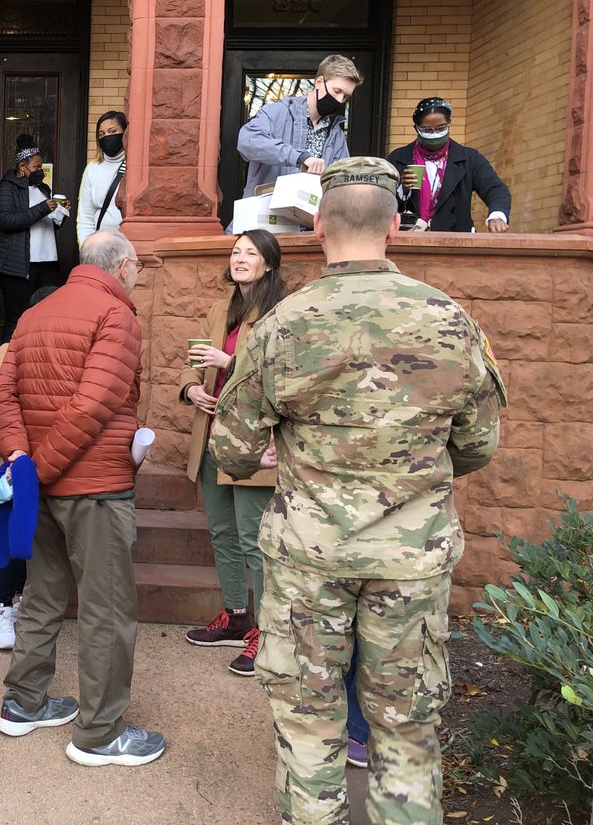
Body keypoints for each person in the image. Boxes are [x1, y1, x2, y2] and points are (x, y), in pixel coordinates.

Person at [209, 157, 505, 824]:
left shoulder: (282, 324)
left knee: (309, 714)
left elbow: (229, 446)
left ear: (317, 226)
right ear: (395, 226)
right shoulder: (450, 319)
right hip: (413, 554)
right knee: (405, 722)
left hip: (309, 555)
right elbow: (479, 444)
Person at [0, 230, 166, 768]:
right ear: (124, 264)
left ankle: (23, 703)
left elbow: (2, 391)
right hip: (93, 488)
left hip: (39, 488)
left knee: (42, 596)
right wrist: (37, 470)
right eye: (136, 266)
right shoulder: (117, 316)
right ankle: (99, 733)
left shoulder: (36, 311)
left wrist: (22, 464)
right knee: (106, 611)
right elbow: (94, 405)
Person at [180, 229, 287, 676]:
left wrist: (230, 365)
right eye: (236, 251)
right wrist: (190, 388)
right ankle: (236, 614)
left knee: (253, 540)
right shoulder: (219, 308)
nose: (240, 258)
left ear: (268, 263)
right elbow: (194, 359)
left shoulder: (281, 312)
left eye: (251, 253)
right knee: (222, 532)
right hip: (212, 435)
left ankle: (266, 632)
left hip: (253, 441)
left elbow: (283, 373)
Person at [0, 284, 60, 650]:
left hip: (56, 462)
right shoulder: (9, 349)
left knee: (41, 541)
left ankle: (26, 604)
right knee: (14, 540)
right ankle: (2, 606)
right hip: (18, 464)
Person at [232, 55, 362, 233]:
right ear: (319, 82)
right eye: (336, 91)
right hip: (264, 229)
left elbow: (341, 183)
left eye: (346, 96)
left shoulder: (336, 134)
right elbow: (247, 141)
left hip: (308, 231)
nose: (340, 100)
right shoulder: (278, 112)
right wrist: (299, 157)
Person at [387, 96, 511, 233]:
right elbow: (382, 201)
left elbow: (496, 189)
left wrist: (497, 216)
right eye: (427, 130)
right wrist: (402, 189)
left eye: (441, 128)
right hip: (409, 238)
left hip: (454, 240)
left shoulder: (469, 158)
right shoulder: (398, 158)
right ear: (416, 129)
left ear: (449, 124)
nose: (434, 134)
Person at [0, 136, 67, 341]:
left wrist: (60, 213)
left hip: (48, 263)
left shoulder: (43, 189)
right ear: (23, 167)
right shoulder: (6, 188)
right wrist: (43, 208)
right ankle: (5, 365)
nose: (40, 171)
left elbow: (48, 222)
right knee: (16, 318)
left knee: (46, 318)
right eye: (36, 166)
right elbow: (6, 220)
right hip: (19, 265)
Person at [76, 110, 127, 244]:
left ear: (125, 133)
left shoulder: (136, 166)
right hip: (100, 248)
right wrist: (86, 249)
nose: (107, 137)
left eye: (112, 131)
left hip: (130, 247)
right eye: (101, 134)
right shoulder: (92, 169)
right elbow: (85, 217)